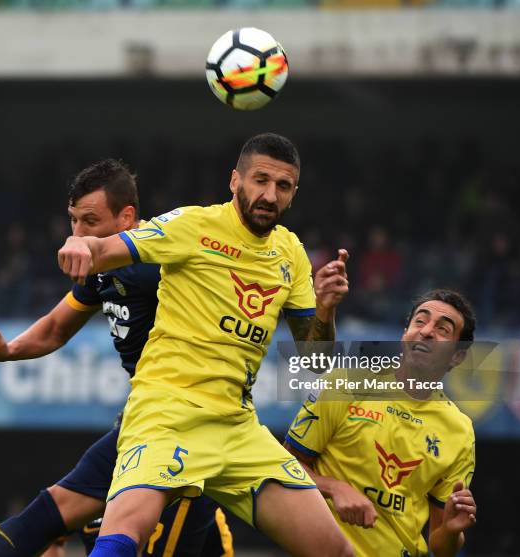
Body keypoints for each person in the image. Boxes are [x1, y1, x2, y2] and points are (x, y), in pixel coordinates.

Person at [58, 133, 355, 557]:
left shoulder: (291, 253)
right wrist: (79, 242)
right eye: (260, 180)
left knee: (336, 551)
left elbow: (316, 363)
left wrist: (325, 311)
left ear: (293, 194)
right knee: (125, 531)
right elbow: (104, 248)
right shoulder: (192, 225)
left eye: (283, 186)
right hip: (167, 411)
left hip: (236, 426)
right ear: (235, 181)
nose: (269, 194)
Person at [0, 159, 232, 557]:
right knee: (40, 519)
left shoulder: (162, 264)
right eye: (73, 221)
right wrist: (7, 351)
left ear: (128, 218)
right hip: (141, 426)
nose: (78, 233)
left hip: (191, 439)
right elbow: (54, 329)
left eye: (90, 221)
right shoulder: (103, 271)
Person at [284, 289, 478, 557]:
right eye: (420, 321)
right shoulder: (346, 384)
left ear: (457, 356)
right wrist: (334, 488)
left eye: (443, 329)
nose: (427, 331)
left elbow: (440, 545)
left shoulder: (460, 431)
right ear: (405, 333)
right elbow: (286, 466)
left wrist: (452, 530)